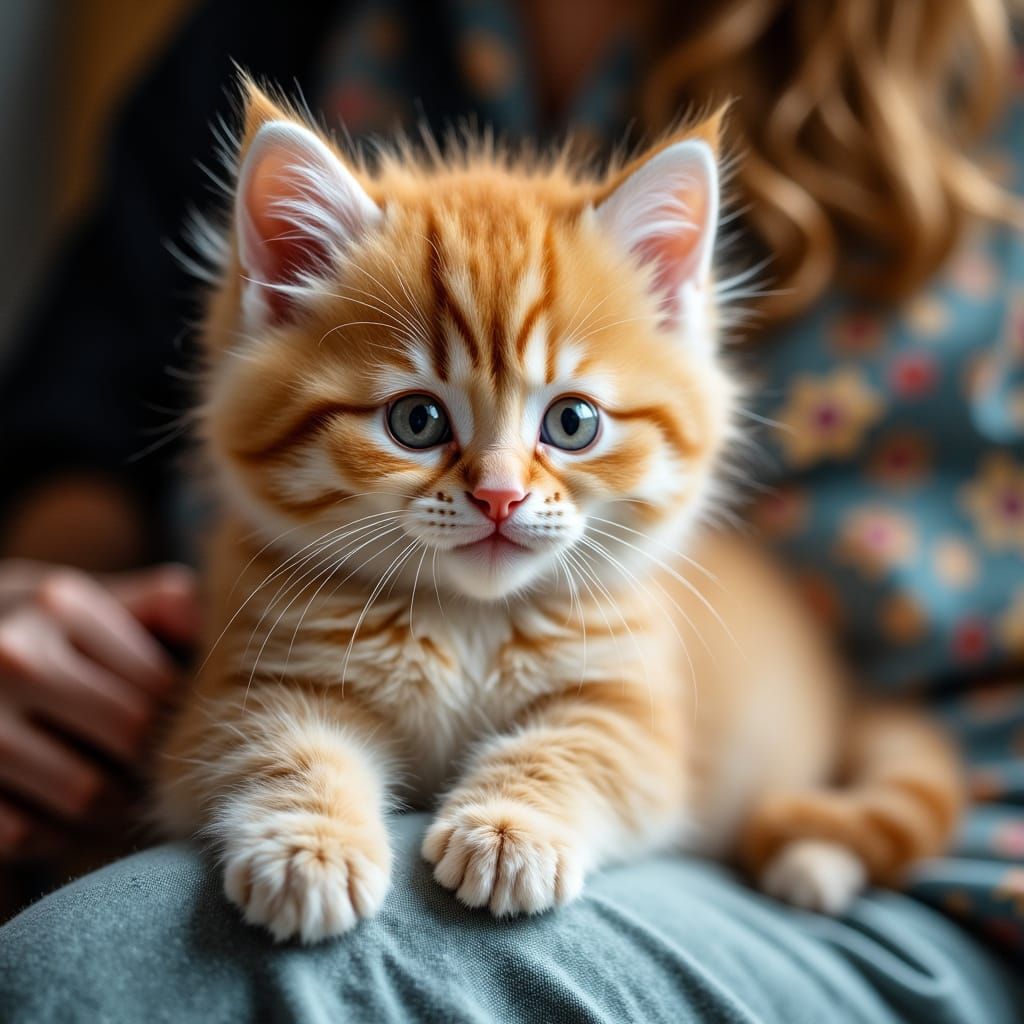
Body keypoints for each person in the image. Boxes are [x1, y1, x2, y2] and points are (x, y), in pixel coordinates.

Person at [0, 1, 1021, 1019]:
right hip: (158, 703)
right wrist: (45, 614)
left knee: (120, 966)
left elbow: (628, 741)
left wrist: (546, 796)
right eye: (413, 417)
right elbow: (73, 423)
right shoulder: (269, 32)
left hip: (957, 873)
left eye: (567, 423)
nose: (499, 489)